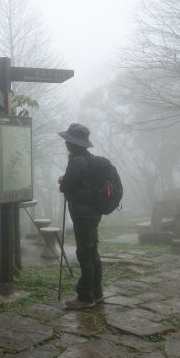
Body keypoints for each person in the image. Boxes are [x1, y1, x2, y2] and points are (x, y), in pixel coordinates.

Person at [57, 123, 103, 309]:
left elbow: (67, 187)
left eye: (67, 141)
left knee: (84, 253)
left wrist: (62, 182)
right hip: (94, 212)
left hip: (82, 214)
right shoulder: (90, 159)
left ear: (71, 143)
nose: (66, 144)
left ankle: (85, 297)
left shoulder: (76, 161)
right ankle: (97, 293)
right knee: (92, 252)